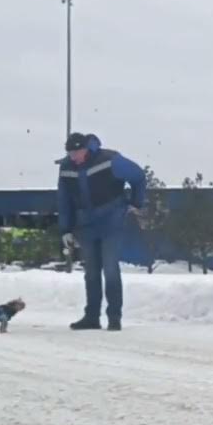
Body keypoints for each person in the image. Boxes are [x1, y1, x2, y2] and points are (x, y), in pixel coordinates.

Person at [56, 132, 146, 331]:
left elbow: (138, 176)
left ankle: (114, 317)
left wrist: (136, 203)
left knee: (110, 268)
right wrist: (66, 229)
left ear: (87, 148)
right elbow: (64, 199)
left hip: (111, 221)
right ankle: (92, 317)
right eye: (70, 153)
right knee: (91, 273)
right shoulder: (66, 167)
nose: (74, 157)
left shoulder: (110, 160)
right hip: (86, 225)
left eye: (77, 152)